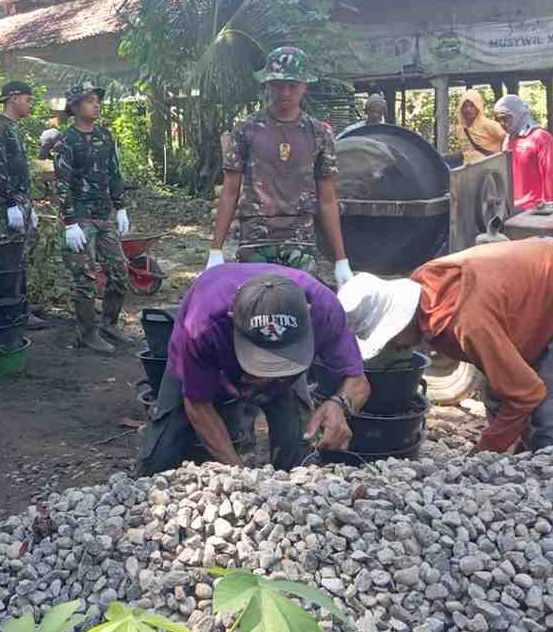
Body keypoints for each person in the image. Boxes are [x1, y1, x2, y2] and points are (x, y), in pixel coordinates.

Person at [337, 239, 553, 455]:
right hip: (545, 293)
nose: (397, 348)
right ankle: (527, 462)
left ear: (399, 324)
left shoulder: (467, 324)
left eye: (389, 340)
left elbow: (527, 394)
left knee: (552, 410)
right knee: (499, 392)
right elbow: (508, 387)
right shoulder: (427, 283)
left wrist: (483, 454)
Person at [138, 263, 368, 476]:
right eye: (261, 362)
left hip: (289, 377)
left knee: (297, 447)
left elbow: (358, 381)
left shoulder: (324, 309)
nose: (266, 375)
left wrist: (340, 403)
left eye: (278, 360)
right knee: (162, 455)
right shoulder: (202, 326)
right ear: (232, 320)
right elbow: (198, 406)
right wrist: (241, 478)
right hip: (209, 356)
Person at [209, 46, 353, 290]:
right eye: (277, 85)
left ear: (304, 85)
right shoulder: (246, 130)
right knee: (253, 309)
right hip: (255, 239)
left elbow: (327, 199)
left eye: (293, 85)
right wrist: (215, 249)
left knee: (299, 310)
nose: (285, 92)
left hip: (300, 241)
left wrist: (341, 259)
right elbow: (230, 192)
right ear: (267, 84)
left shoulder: (319, 133)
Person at [53, 83, 133, 354]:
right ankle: (87, 333)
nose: (96, 104)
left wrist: (121, 206)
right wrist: (70, 221)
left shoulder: (105, 136)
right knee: (85, 276)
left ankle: (109, 323)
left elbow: (114, 173)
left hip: (103, 213)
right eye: (89, 100)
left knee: (120, 270)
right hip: (81, 216)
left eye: (97, 99)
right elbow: (62, 183)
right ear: (74, 107)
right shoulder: (67, 141)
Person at [0, 80, 48, 330]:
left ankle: (22, 304)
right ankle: (15, 311)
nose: (30, 104)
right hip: (6, 200)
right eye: (28, 100)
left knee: (23, 254)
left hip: (20, 199)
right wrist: (10, 203)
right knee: (12, 255)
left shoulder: (12, 127)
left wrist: (27, 204)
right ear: (15, 98)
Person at [494, 94, 553, 210]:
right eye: (499, 120)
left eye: (505, 118)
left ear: (518, 114)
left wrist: (548, 208)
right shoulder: (508, 140)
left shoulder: (541, 138)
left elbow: (550, 176)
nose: (502, 124)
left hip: (535, 210)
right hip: (510, 208)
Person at [455, 89, 506, 165]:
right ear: (460, 108)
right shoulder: (460, 129)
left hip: (490, 170)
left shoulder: (488, 124)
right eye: (465, 106)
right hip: (468, 171)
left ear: (478, 106)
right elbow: (465, 151)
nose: (468, 109)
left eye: (472, 105)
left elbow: (506, 138)